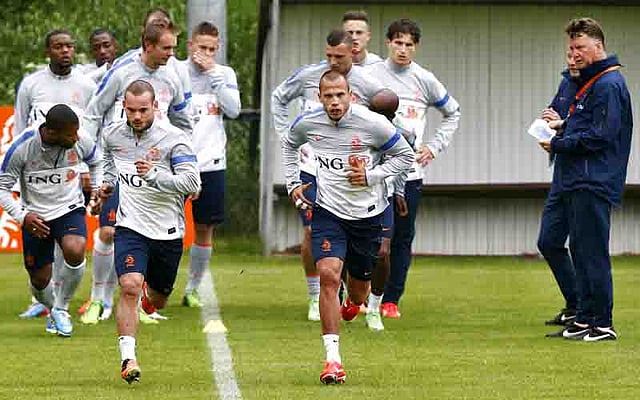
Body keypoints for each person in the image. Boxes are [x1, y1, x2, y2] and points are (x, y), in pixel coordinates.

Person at [282, 70, 413, 384]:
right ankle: (332, 361)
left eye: (340, 95)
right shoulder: (308, 124)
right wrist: (292, 183)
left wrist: (372, 177)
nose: (335, 101)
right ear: (320, 98)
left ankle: (355, 303)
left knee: (358, 291)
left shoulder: (373, 124)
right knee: (328, 275)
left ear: (350, 95)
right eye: (328, 96)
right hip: (328, 213)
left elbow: (405, 156)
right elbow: (289, 144)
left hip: (367, 217)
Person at [80, 21, 192, 325]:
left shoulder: (173, 76)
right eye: (167, 47)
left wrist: (187, 163)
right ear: (148, 45)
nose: (172, 53)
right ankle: (98, 299)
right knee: (108, 230)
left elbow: (183, 121)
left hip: (159, 173)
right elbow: (92, 113)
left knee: (155, 243)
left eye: (173, 47)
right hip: (121, 166)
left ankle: (141, 298)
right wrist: (91, 162)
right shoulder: (121, 71)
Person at [272, 29, 387, 322]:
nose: (333, 61)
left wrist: (376, 166)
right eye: (329, 56)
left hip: (355, 177)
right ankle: (317, 296)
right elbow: (279, 97)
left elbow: (386, 119)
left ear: (354, 52)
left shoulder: (370, 84)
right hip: (314, 168)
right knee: (312, 231)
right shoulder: (309, 76)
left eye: (339, 56)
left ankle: (354, 292)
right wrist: (285, 134)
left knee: (366, 249)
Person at [100, 80, 200, 383]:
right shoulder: (113, 134)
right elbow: (107, 159)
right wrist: (106, 182)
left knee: (157, 300)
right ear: (123, 107)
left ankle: (149, 298)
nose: (136, 116)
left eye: (143, 110)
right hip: (130, 226)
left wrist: (156, 175)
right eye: (130, 110)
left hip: (167, 232)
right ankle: (128, 359)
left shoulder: (174, 140)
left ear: (155, 107)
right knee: (129, 285)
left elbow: (193, 184)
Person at [539, 18, 632, 341]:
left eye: (580, 47)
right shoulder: (591, 82)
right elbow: (586, 127)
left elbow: (602, 136)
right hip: (578, 178)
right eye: (571, 48)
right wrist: (563, 126)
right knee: (580, 249)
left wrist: (559, 142)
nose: (574, 54)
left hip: (594, 179)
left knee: (592, 253)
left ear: (598, 46)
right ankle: (584, 318)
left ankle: (603, 323)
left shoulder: (608, 84)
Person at [366, 19, 461, 319]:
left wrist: (433, 146)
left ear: (415, 47)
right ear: (388, 43)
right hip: (371, 173)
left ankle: (391, 299)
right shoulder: (369, 75)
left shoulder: (424, 79)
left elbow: (452, 112)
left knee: (401, 238)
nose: (403, 49)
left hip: (408, 175)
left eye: (409, 44)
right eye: (398, 42)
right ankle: (361, 292)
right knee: (366, 235)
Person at [14, 29, 97, 320]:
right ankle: (40, 298)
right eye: (59, 46)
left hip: (73, 170)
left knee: (70, 238)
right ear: (48, 51)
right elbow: (22, 126)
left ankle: (60, 301)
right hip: (37, 172)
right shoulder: (31, 84)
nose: (65, 51)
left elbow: (90, 129)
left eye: (69, 46)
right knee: (39, 239)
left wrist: (87, 168)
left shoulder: (86, 86)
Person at [0, 104, 103, 337]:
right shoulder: (22, 147)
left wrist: (96, 191)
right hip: (35, 216)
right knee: (39, 280)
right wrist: (22, 217)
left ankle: (61, 308)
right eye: (70, 134)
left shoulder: (80, 139)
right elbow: (2, 187)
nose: (76, 138)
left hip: (69, 208)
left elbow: (96, 160)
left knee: (75, 249)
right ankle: (50, 307)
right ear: (52, 132)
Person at [181, 22, 241, 307]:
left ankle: (193, 288)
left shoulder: (224, 74)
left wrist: (215, 76)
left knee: (205, 227)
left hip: (211, 162)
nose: (205, 53)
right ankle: (153, 286)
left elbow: (234, 109)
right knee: (160, 226)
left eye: (212, 49)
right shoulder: (176, 72)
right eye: (201, 47)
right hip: (176, 164)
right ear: (190, 45)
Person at [536, 50, 580, 333]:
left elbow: (589, 128)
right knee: (548, 241)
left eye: (578, 53)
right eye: (568, 54)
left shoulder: (599, 87)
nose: (572, 60)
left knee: (584, 246)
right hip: (561, 172)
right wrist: (549, 119)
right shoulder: (566, 83)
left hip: (583, 176)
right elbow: (554, 115)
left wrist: (563, 124)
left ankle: (587, 312)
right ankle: (575, 304)